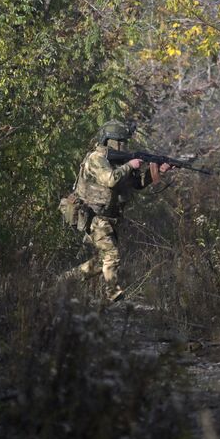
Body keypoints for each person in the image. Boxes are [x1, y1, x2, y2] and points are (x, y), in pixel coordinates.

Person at [68, 120, 169, 303]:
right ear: (109, 140)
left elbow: (137, 184)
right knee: (112, 255)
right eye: (120, 142)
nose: (123, 146)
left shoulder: (118, 162)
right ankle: (114, 296)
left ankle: (65, 281)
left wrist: (157, 171)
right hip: (93, 215)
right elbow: (110, 179)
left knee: (102, 261)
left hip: (110, 217)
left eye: (124, 142)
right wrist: (130, 165)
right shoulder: (96, 158)